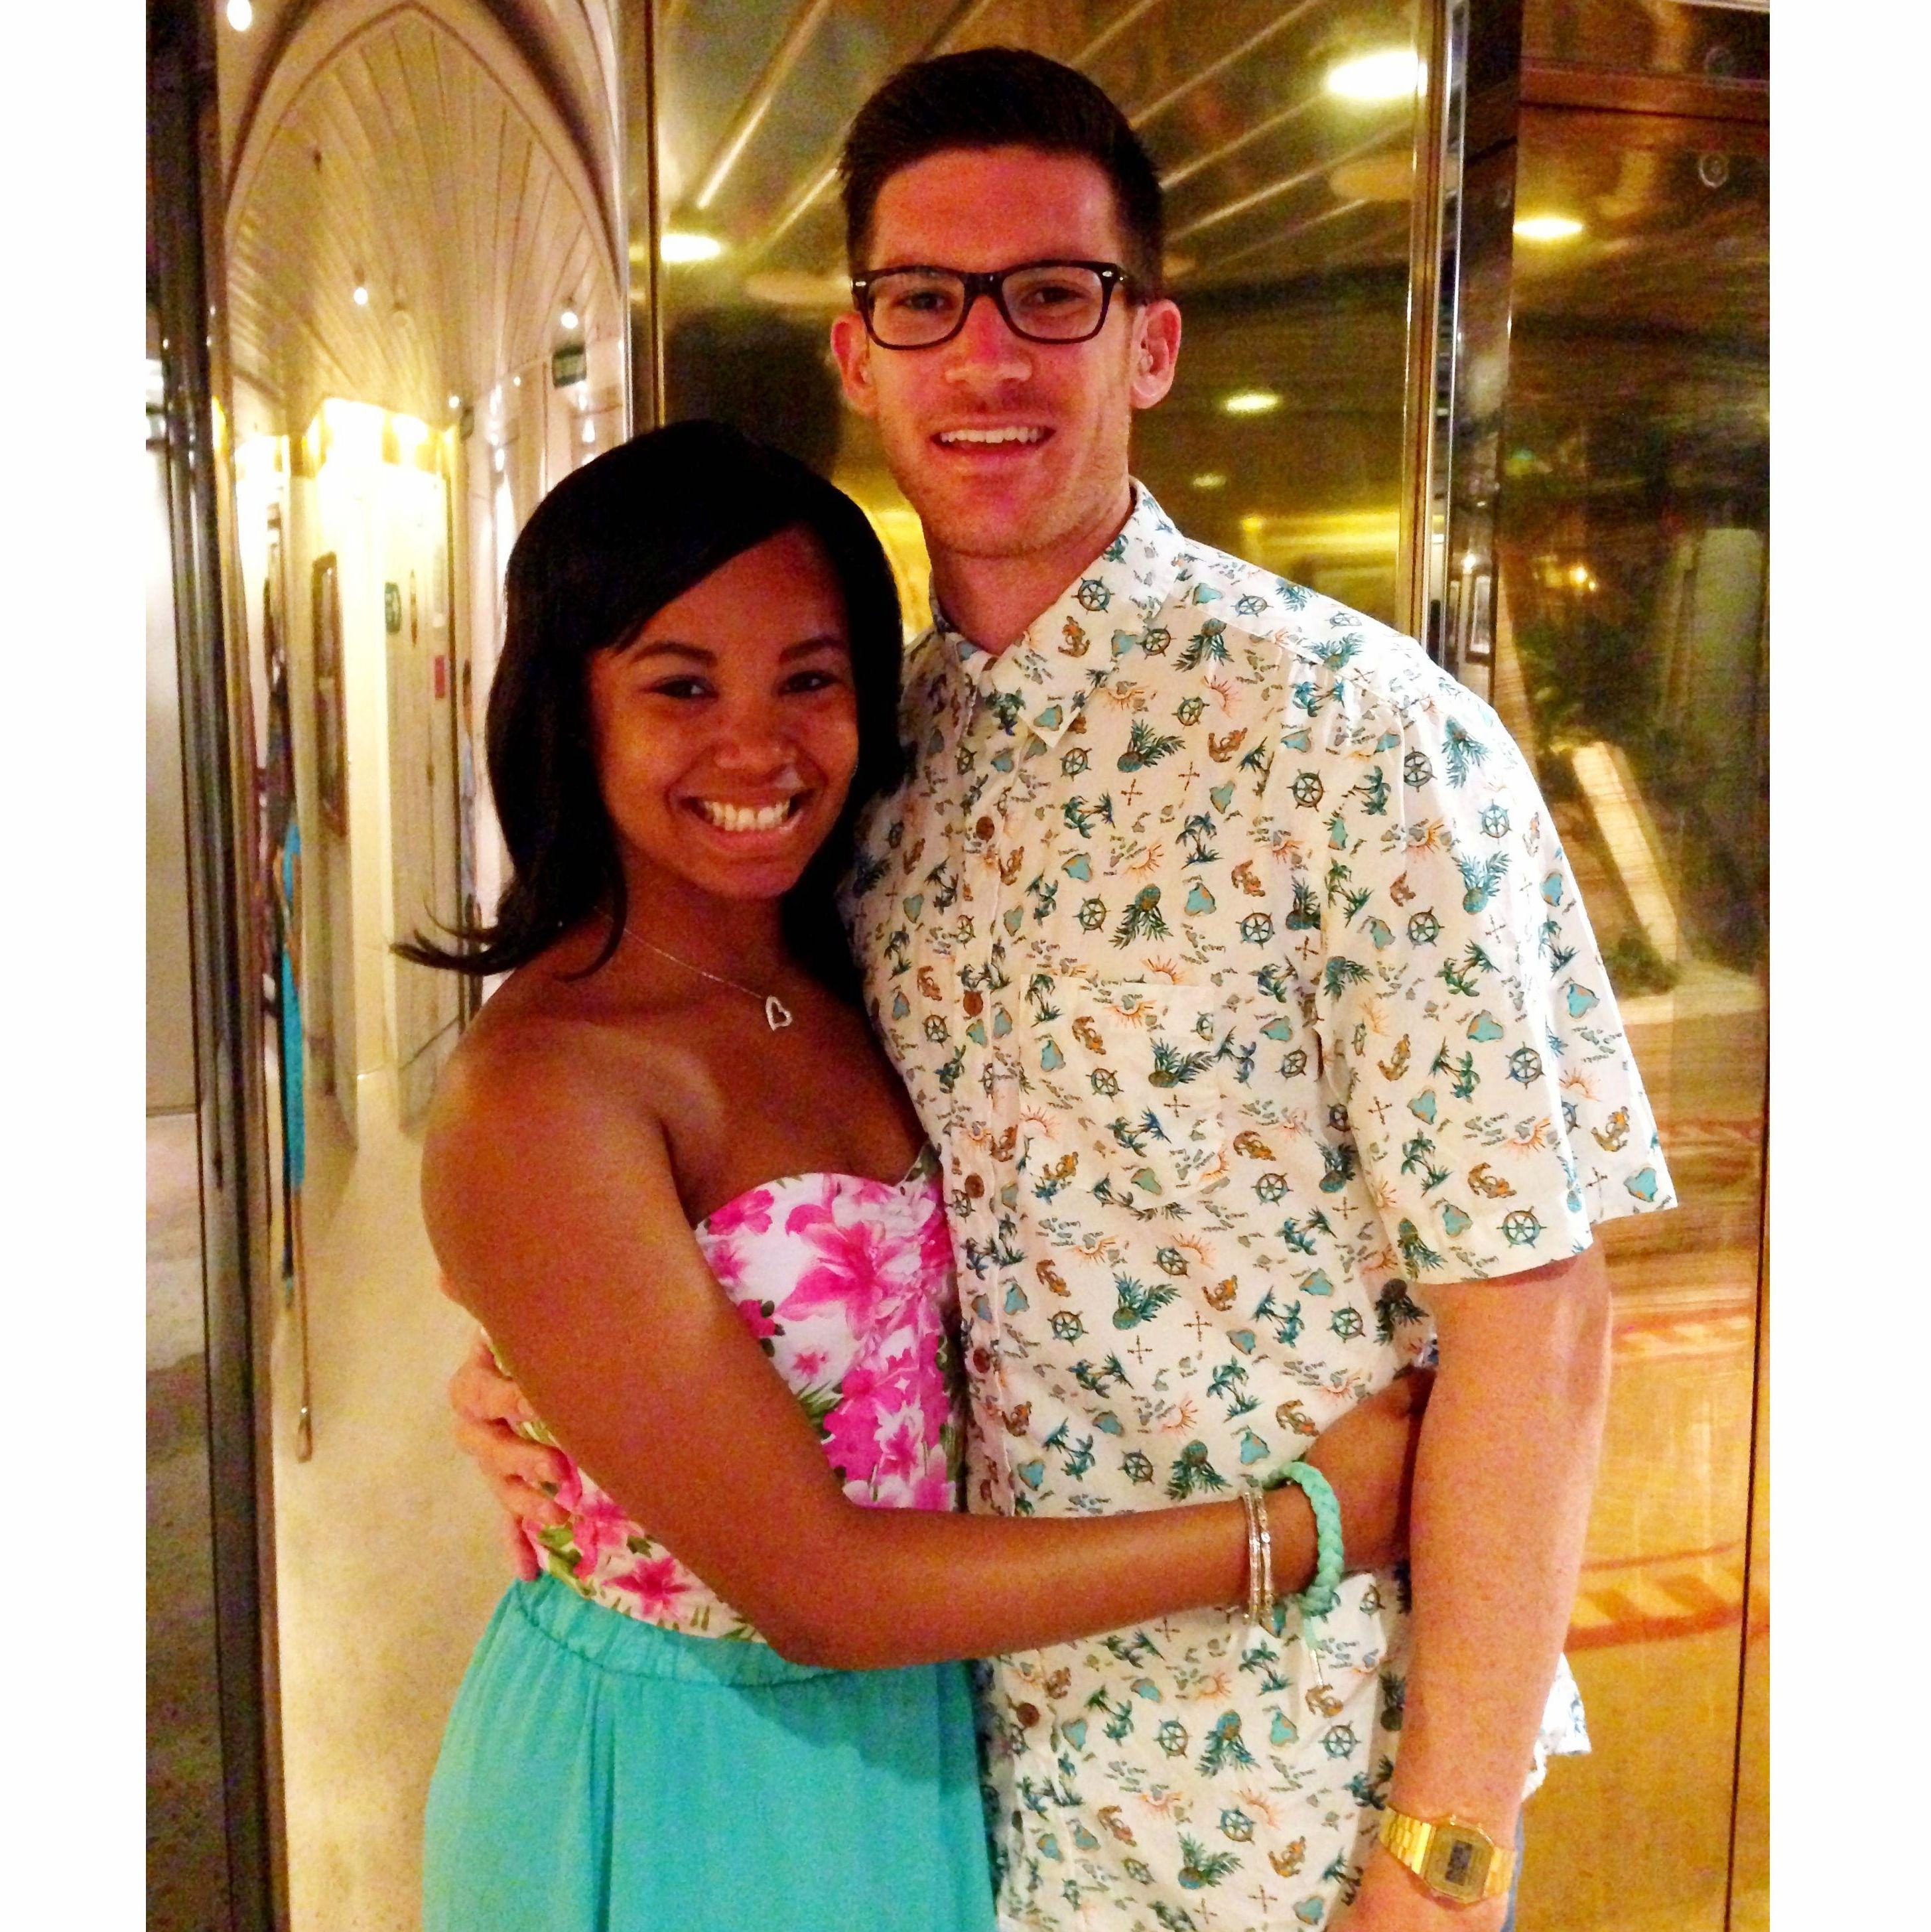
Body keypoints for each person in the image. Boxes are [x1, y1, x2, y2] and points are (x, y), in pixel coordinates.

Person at [452, 49, 1676, 1931]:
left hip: (1284, 1797)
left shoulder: (1353, 741)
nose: (988, 356)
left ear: (1149, 343)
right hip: (942, 1775)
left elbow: (1537, 1315)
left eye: (1053, 294)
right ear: (859, 355)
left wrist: (1443, 1856)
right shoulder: (872, 770)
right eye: (925, 301)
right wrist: (558, 1363)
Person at [413, 420, 1432, 1932]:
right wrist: (1304, 1525)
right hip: (681, 1760)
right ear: (569, 706)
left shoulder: (848, 959)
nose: (756, 746)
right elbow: (819, 1588)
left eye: (809, 679)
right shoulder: (545, 1085)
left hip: (914, 1741)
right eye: (681, 686)